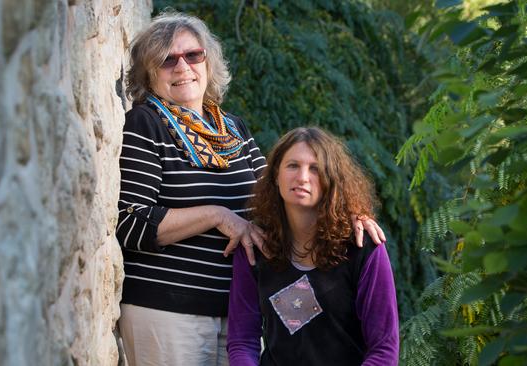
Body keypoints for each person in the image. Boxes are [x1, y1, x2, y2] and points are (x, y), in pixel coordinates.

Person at [116, 11, 387, 366]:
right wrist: (217, 216)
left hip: (239, 314)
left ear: (208, 62)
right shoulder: (144, 123)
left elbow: (280, 194)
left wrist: (350, 214)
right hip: (168, 309)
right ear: (149, 73)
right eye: (167, 60)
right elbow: (131, 224)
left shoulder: (233, 129)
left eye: (193, 55)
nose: (182, 66)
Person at [227, 127, 399, 366]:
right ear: (276, 175)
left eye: (315, 168)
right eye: (293, 166)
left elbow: (384, 349)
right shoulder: (255, 246)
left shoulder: (362, 246)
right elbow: (242, 341)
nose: (303, 177)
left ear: (331, 179)